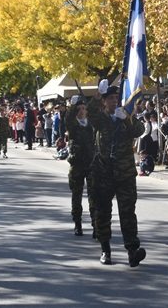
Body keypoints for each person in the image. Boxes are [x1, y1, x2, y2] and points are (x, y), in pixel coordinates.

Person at [87, 79, 146, 267]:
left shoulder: (125, 117)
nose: (113, 101)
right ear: (104, 101)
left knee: (128, 213)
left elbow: (139, 130)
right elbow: (89, 113)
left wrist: (127, 119)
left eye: (115, 98)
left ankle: (132, 251)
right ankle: (105, 249)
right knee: (103, 212)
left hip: (125, 174)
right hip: (104, 173)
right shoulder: (100, 119)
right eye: (110, 98)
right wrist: (97, 95)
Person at [65, 95, 95, 237]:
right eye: (80, 108)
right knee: (76, 196)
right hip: (77, 165)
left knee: (93, 196)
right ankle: (77, 223)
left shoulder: (91, 124)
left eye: (84, 108)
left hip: (91, 164)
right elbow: (68, 119)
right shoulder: (73, 124)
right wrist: (72, 106)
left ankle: (96, 225)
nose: (82, 111)